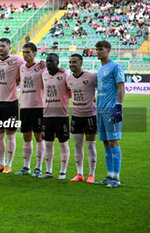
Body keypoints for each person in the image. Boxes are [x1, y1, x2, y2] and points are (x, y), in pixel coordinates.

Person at [0, 38, 25, 174]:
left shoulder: (17, 60)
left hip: (11, 102)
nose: (0, 48)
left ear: (9, 48)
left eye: (3, 46)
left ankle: (9, 164)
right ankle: (1, 163)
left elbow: (27, 68)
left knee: (10, 135)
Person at [94, 40, 125, 188]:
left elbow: (121, 87)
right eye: (97, 49)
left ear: (108, 50)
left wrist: (118, 107)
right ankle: (109, 175)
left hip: (111, 109)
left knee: (113, 142)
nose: (98, 51)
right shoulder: (100, 69)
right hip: (100, 110)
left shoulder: (115, 66)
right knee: (106, 142)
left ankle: (116, 178)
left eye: (101, 49)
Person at [15, 42, 45, 177]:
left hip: (38, 107)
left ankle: (38, 167)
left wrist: (61, 69)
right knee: (26, 137)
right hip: (25, 107)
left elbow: (54, 74)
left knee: (38, 137)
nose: (25, 54)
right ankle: (26, 167)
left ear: (35, 53)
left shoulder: (41, 67)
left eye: (28, 52)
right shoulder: (21, 67)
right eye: (24, 52)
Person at [39, 53, 71, 180]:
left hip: (61, 115)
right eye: (47, 61)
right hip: (47, 114)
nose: (48, 63)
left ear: (57, 62)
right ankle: (48, 171)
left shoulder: (65, 75)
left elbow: (71, 91)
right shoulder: (44, 75)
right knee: (48, 144)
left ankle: (63, 171)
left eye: (51, 61)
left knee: (63, 143)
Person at [67, 54, 97, 183]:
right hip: (76, 116)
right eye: (70, 62)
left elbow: (102, 89)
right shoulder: (68, 78)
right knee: (78, 146)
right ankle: (79, 173)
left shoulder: (91, 77)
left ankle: (92, 174)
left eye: (74, 62)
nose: (72, 64)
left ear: (81, 62)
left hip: (90, 115)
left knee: (90, 146)